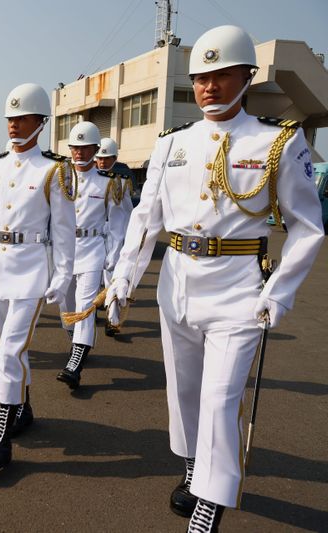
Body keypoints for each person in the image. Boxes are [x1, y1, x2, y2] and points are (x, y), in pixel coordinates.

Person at [107, 25, 323, 532]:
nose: (209, 86)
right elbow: (145, 221)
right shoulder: (172, 144)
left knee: (221, 397)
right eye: (201, 77)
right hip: (178, 284)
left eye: (221, 75)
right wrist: (123, 282)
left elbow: (308, 227)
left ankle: (209, 502)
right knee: (183, 392)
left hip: (238, 290)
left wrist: (280, 291)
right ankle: (191, 467)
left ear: (247, 77)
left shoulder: (277, 141)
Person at [0, 83, 76, 469]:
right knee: (13, 348)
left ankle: (0, 434)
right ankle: (24, 406)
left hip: (33, 269)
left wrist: (62, 275)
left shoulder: (54, 169)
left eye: (22, 118)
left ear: (40, 122)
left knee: (8, 351)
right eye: (11, 119)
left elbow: (65, 229)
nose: (14, 125)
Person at [56, 123, 125, 389]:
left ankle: (75, 362)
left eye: (85, 148)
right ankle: (77, 339)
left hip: (92, 248)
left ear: (96, 150)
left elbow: (119, 224)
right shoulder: (59, 178)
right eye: (75, 147)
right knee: (66, 305)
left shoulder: (110, 184)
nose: (79, 153)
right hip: (64, 250)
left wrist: (114, 256)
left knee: (85, 305)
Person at [94, 137, 134, 337]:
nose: (102, 162)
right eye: (99, 158)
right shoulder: (89, 180)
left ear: (115, 159)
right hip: (92, 235)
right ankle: (91, 311)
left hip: (113, 234)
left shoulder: (120, 183)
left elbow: (125, 216)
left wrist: (121, 245)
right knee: (90, 278)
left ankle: (112, 319)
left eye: (106, 158)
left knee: (112, 278)